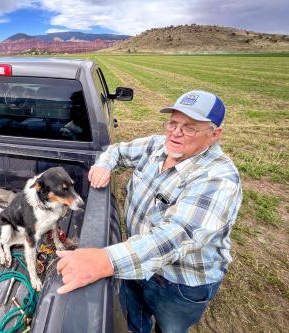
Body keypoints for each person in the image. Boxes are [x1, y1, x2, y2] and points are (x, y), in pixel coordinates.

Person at [56, 90, 242, 333]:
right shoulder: (156, 146)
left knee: (170, 328)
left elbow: (178, 235)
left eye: (189, 127)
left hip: (178, 283)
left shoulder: (218, 179)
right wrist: (104, 165)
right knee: (132, 318)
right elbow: (117, 151)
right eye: (173, 123)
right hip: (135, 261)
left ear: (214, 134)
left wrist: (106, 260)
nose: (175, 132)